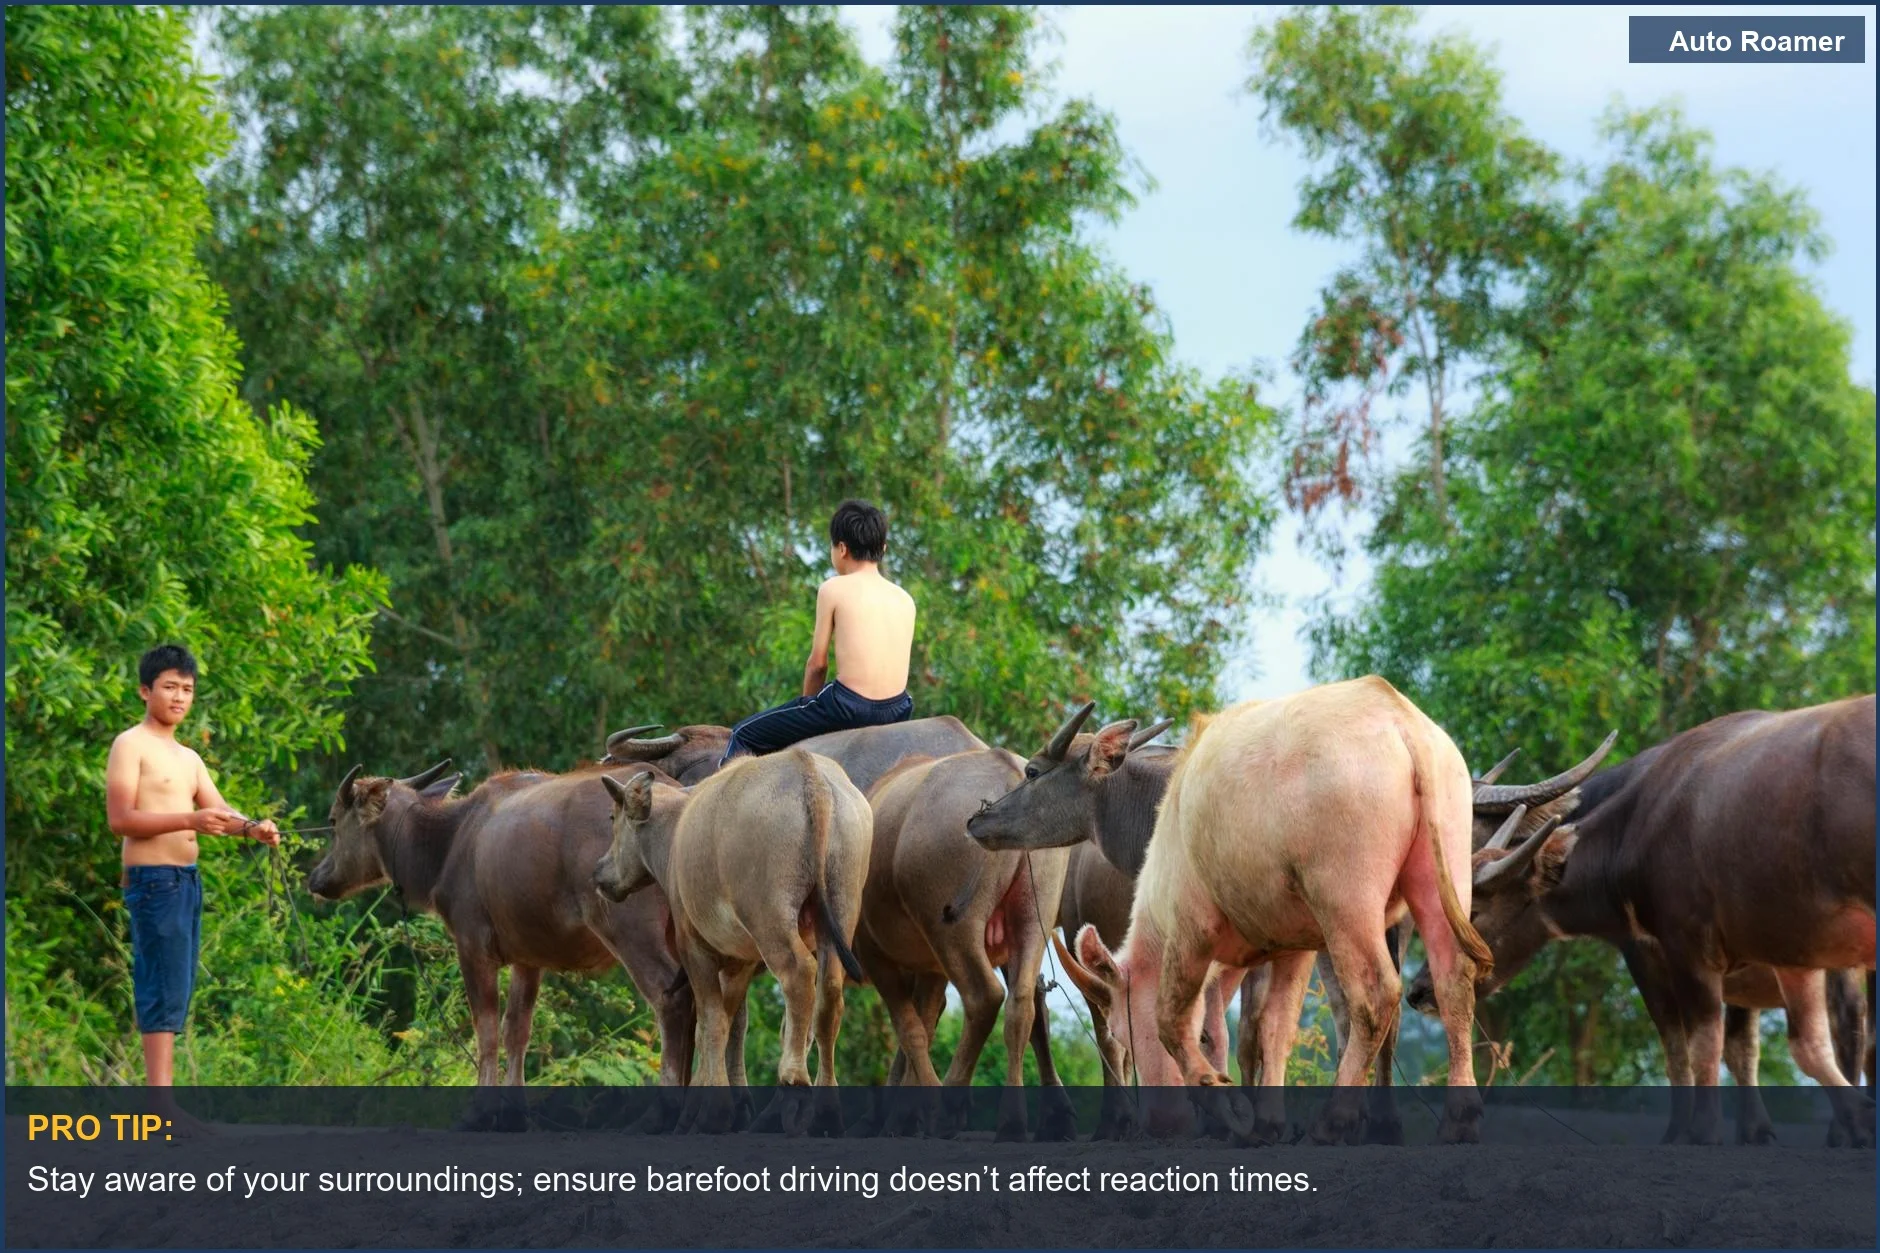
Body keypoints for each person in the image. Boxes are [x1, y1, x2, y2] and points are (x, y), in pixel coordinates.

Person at [104, 644, 279, 1087]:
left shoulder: (189, 758)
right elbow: (120, 820)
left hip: (186, 882)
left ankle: (163, 1103)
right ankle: (159, 1108)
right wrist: (189, 819)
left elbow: (220, 811)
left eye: (187, 689)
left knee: (176, 987)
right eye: (169, 687)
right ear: (145, 691)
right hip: (154, 880)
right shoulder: (130, 744)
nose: (179, 697)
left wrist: (254, 828)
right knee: (160, 985)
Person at [720, 500, 917, 766]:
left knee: (743, 734)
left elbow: (817, 665)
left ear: (842, 549)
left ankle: (721, 804)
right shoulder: (905, 599)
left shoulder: (834, 588)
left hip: (849, 707)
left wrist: (806, 707)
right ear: (883, 548)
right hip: (898, 710)